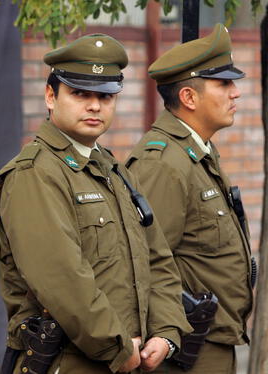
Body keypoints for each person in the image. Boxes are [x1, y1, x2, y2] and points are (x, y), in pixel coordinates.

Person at [0, 33, 191, 374]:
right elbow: (63, 279)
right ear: (51, 96)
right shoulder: (35, 174)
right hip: (70, 362)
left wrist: (167, 333)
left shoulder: (115, 171)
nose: (94, 105)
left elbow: (157, 259)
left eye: (105, 96)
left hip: (129, 359)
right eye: (80, 93)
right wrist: (117, 346)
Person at [127, 24, 255, 374]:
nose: (235, 93)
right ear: (189, 97)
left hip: (211, 343)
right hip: (185, 351)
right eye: (224, 84)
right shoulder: (163, 163)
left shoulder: (196, 152)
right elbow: (142, 262)